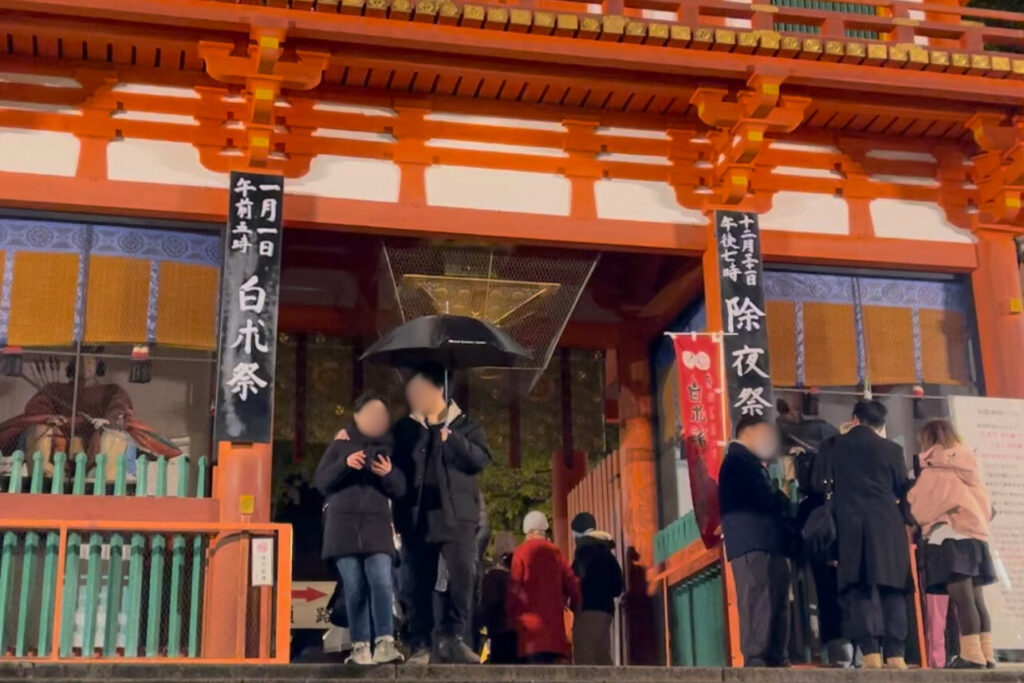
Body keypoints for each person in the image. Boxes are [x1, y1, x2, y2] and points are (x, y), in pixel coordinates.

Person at [392, 362, 492, 664]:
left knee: (462, 578)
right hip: (417, 517)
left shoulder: (465, 425)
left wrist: (453, 439)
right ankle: (420, 643)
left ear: (439, 390)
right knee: (416, 583)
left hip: (457, 517)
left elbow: (480, 460)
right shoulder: (405, 428)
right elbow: (394, 470)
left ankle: (454, 637)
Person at [816, 399, 911, 670]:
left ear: (855, 418)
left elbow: (818, 483)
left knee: (858, 588)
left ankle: (870, 653)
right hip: (888, 526)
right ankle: (896, 654)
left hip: (850, 526)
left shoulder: (833, 447)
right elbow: (901, 487)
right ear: (880, 425)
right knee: (892, 588)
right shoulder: (892, 449)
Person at [314, 393, 406, 665]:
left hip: (376, 525)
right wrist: (345, 464)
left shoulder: (390, 446)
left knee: (381, 580)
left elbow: (401, 488)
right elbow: (321, 481)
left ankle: (385, 642)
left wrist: (388, 474)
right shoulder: (340, 443)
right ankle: (360, 646)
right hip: (342, 528)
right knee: (354, 587)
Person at [908, 418, 997, 669]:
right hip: (975, 539)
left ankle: (972, 656)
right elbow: (989, 509)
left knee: (962, 599)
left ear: (928, 439)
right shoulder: (969, 468)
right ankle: (986, 653)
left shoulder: (935, 470)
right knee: (976, 599)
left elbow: (920, 508)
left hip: (950, 539)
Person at [718, 415, 793, 668]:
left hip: (769, 541)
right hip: (751, 542)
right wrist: (780, 498)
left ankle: (777, 654)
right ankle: (756, 657)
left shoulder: (748, 462)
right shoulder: (737, 461)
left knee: (776, 597)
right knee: (757, 598)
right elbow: (764, 497)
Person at [506, 511, 581, 664]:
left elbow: (514, 588)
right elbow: (573, 584)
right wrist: (575, 606)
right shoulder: (556, 552)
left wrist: (509, 615)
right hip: (554, 631)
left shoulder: (521, 552)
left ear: (528, 532)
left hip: (529, 631)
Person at [569, 512, 623, 665]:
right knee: (601, 654)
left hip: (587, 607)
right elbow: (617, 587)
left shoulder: (583, 552)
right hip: (606, 610)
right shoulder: (608, 555)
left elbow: (575, 580)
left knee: (585, 657)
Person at [480, 533, 518, 664]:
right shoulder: (514, 577)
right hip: (511, 629)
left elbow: (489, 603)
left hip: (498, 629)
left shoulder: (492, 577)